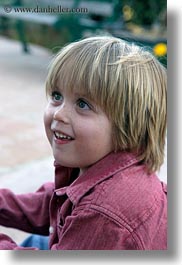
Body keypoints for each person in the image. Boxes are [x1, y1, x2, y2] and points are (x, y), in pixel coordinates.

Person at [0, 36, 167, 250]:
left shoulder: (104, 213)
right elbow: (51, 204)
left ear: (128, 123)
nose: (59, 114)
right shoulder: (97, 162)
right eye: (57, 96)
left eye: (82, 104)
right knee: (37, 241)